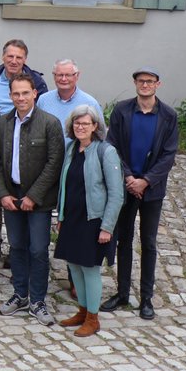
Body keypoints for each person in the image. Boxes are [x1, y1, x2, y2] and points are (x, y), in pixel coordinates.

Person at [101, 67, 179, 321]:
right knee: (124, 239)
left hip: (152, 190)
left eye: (150, 81)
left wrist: (146, 181)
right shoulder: (122, 110)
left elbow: (169, 155)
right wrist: (128, 177)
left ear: (158, 84)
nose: (145, 85)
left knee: (148, 242)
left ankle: (146, 298)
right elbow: (112, 145)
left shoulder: (168, 116)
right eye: (140, 81)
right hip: (126, 185)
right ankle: (122, 292)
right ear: (135, 83)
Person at [0, 74, 64, 326]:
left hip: (39, 201)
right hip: (12, 197)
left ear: (34, 93)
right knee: (18, 246)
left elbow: (54, 164)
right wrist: (2, 194)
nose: (20, 98)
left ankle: (38, 300)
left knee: (38, 250)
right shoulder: (4, 122)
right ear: (10, 96)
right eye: (16, 94)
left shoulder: (50, 123)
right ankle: (20, 294)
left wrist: (34, 196)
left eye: (25, 93)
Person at [55, 105, 124, 337]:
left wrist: (107, 227)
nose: (80, 127)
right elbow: (65, 185)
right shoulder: (72, 148)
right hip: (73, 218)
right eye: (77, 123)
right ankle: (82, 312)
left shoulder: (106, 151)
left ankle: (93, 319)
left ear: (95, 126)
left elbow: (116, 194)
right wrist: (61, 215)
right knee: (74, 266)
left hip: (94, 220)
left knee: (90, 268)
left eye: (85, 123)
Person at [0, 39, 49, 267]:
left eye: (19, 57)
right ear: (3, 58)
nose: (14, 61)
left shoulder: (36, 82)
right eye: (10, 56)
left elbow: (42, 114)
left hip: (26, 143)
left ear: (25, 60)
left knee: (20, 192)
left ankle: (16, 246)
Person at [35, 59, 104, 141]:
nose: (64, 79)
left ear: (77, 75)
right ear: (54, 76)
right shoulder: (43, 100)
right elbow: (36, 129)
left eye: (68, 75)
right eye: (60, 75)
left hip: (78, 153)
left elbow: (100, 135)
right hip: (49, 153)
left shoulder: (90, 103)